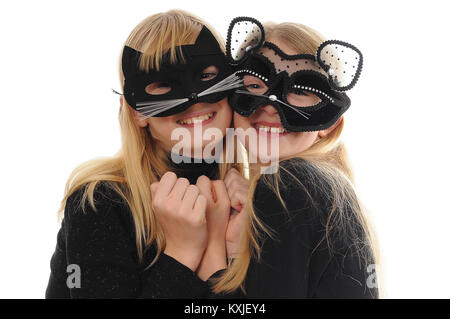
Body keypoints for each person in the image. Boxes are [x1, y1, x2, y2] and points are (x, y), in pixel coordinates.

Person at [45, 9, 242, 298]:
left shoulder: (249, 200)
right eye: (163, 85)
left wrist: (223, 247)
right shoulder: (99, 204)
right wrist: (181, 254)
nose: (192, 100)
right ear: (137, 111)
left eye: (205, 75)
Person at [210, 17, 381, 298]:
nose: (272, 105)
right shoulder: (327, 193)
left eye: (301, 91)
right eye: (255, 85)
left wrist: (209, 256)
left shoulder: (290, 184)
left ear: (330, 124)